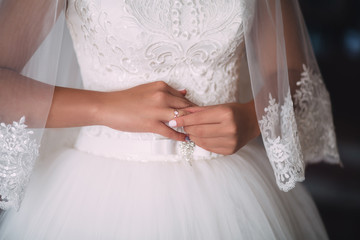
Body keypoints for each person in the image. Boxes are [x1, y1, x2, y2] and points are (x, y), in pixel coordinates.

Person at [0, 0, 340, 239]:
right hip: (98, 189)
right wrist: (103, 107)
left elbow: (294, 74)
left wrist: (253, 118)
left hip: (233, 191)